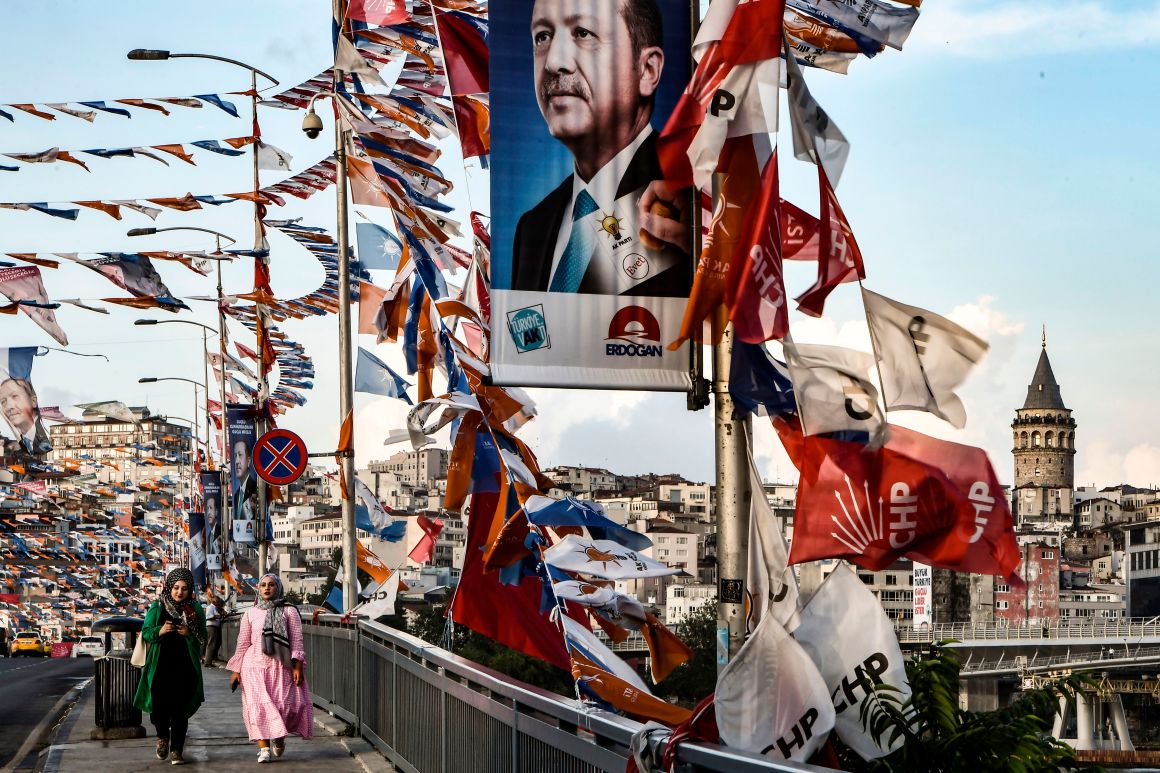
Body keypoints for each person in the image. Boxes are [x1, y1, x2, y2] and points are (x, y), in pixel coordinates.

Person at [510, 0, 692, 297]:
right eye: (543, 36)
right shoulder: (532, 227)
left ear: (647, 70)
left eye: (583, 33)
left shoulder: (696, 201)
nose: (554, 62)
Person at [227, 573, 312, 763]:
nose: (266, 588)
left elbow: (297, 641)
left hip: (281, 667)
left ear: (278, 587)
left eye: (271, 585)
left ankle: (279, 739)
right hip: (253, 667)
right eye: (263, 585)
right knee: (257, 708)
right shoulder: (250, 613)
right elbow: (243, 643)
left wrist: (297, 666)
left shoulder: (289, 611)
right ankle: (263, 749)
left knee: (282, 707)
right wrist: (236, 670)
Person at [133, 568, 207, 766]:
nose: (179, 592)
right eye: (175, 588)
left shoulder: (195, 609)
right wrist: (161, 630)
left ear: (190, 590)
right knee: (159, 709)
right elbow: (146, 633)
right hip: (159, 666)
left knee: (179, 711)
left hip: (184, 667)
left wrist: (187, 634)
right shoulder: (158, 607)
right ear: (169, 587)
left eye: (184, 588)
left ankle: (177, 751)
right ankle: (162, 738)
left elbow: (203, 638)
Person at [0, 377, 51, 455]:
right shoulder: (23, 440)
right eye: (3, 402)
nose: (8, 407)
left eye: (14, 396)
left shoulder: (47, 432)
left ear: (33, 401)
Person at [232, 439, 257, 535]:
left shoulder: (254, 488)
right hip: (240, 537)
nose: (237, 461)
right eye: (235, 456)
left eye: (240, 455)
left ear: (249, 460)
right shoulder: (236, 495)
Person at [202, 586, 224, 666]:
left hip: (214, 627)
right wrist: (216, 616)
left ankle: (212, 659)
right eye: (217, 601)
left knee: (215, 643)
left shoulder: (215, 608)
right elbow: (208, 617)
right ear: (214, 601)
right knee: (211, 644)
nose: (218, 602)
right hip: (211, 627)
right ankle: (208, 662)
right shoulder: (210, 607)